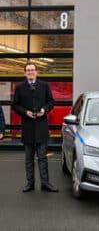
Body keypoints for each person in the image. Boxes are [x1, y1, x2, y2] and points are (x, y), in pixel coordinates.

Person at [13, 62, 58, 193]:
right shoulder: (20, 87)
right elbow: (15, 105)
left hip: (41, 128)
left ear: (36, 72)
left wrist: (44, 109)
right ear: (25, 73)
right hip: (27, 128)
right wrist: (25, 112)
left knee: (43, 158)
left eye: (32, 70)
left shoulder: (44, 86)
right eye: (28, 70)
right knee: (29, 159)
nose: (30, 72)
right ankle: (30, 183)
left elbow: (51, 102)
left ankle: (45, 183)